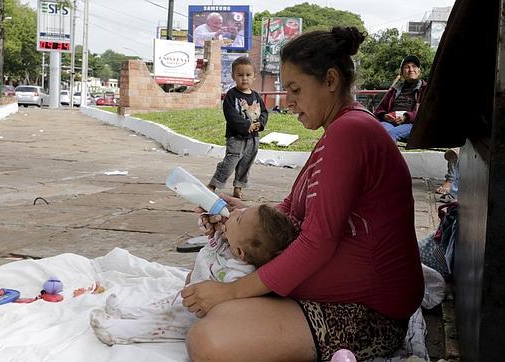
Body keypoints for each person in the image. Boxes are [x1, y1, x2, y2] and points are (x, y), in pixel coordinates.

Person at [181, 27, 424, 361]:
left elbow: (317, 241)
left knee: (209, 340)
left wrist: (232, 292)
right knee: (202, 284)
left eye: (295, 89)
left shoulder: (351, 132)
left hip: (367, 314)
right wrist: (240, 215)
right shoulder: (338, 131)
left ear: (331, 80)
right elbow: (296, 209)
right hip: (332, 296)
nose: (289, 101)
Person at [89, 204, 297, 346]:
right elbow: (212, 245)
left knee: (163, 322)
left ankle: (120, 332)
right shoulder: (230, 243)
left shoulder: (240, 273)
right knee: (163, 304)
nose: (234, 213)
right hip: (188, 294)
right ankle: (131, 312)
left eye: (239, 218)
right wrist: (215, 227)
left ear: (241, 252)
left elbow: (226, 300)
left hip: (196, 312)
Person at [208, 56, 267, 199]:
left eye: (248, 75)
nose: (244, 78)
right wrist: (247, 125)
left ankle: (239, 186)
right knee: (230, 162)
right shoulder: (231, 95)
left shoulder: (256, 96)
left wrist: (261, 123)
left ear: (254, 76)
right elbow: (231, 115)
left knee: (246, 164)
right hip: (236, 138)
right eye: (240, 75)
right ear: (234, 76)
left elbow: (264, 112)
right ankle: (214, 184)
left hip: (253, 139)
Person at [374, 55, 427, 143]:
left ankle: (388, 157)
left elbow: (426, 112)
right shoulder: (395, 90)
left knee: (391, 134)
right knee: (378, 130)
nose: (411, 70)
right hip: (390, 122)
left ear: (419, 71)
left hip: (412, 124)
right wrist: (384, 115)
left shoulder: (425, 89)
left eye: (414, 66)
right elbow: (379, 109)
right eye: (407, 67)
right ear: (402, 73)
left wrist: (406, 117)